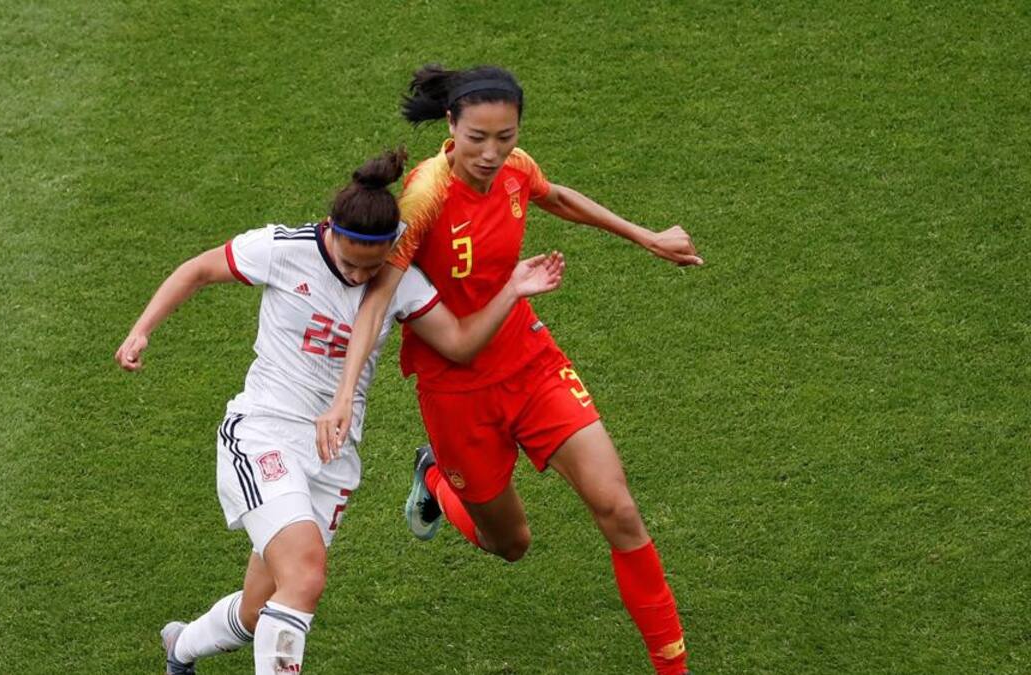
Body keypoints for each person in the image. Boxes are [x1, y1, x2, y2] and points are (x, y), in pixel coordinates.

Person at [114, 148, 565, 675]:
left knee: (264, 609)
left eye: (369, 268)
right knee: (304, 577)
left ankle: (180, 647)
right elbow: (196, 271)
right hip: (264, 434)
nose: (355, 276)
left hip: (331, 460)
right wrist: (141, 329)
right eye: (348, 261)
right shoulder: (283, 249)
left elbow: (460, 344)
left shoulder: (399, 280)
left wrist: (513, 289)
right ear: (329, 229)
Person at [314, 66, 703, 675]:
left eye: (506, 136)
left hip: (529, 362)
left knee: (619, 508)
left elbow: (556, 196)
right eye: (478, 139)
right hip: (456, 391)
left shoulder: (516, 167)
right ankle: (437, 480)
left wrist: (645, 236)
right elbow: (377, 300)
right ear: (450, 126)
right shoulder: (423, 197)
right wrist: (341, 398)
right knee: (511, 544)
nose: (492, 154)